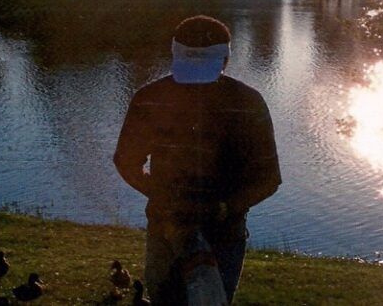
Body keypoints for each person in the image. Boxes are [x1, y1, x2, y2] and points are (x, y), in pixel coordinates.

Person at [114, 15, 281, 304]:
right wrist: (227, 207)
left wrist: (164, 196)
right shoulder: (249, 102)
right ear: (226, 58)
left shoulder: (149, 97)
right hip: (205, 233)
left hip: (182, 229)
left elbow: (126, 162)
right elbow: (268, 179)